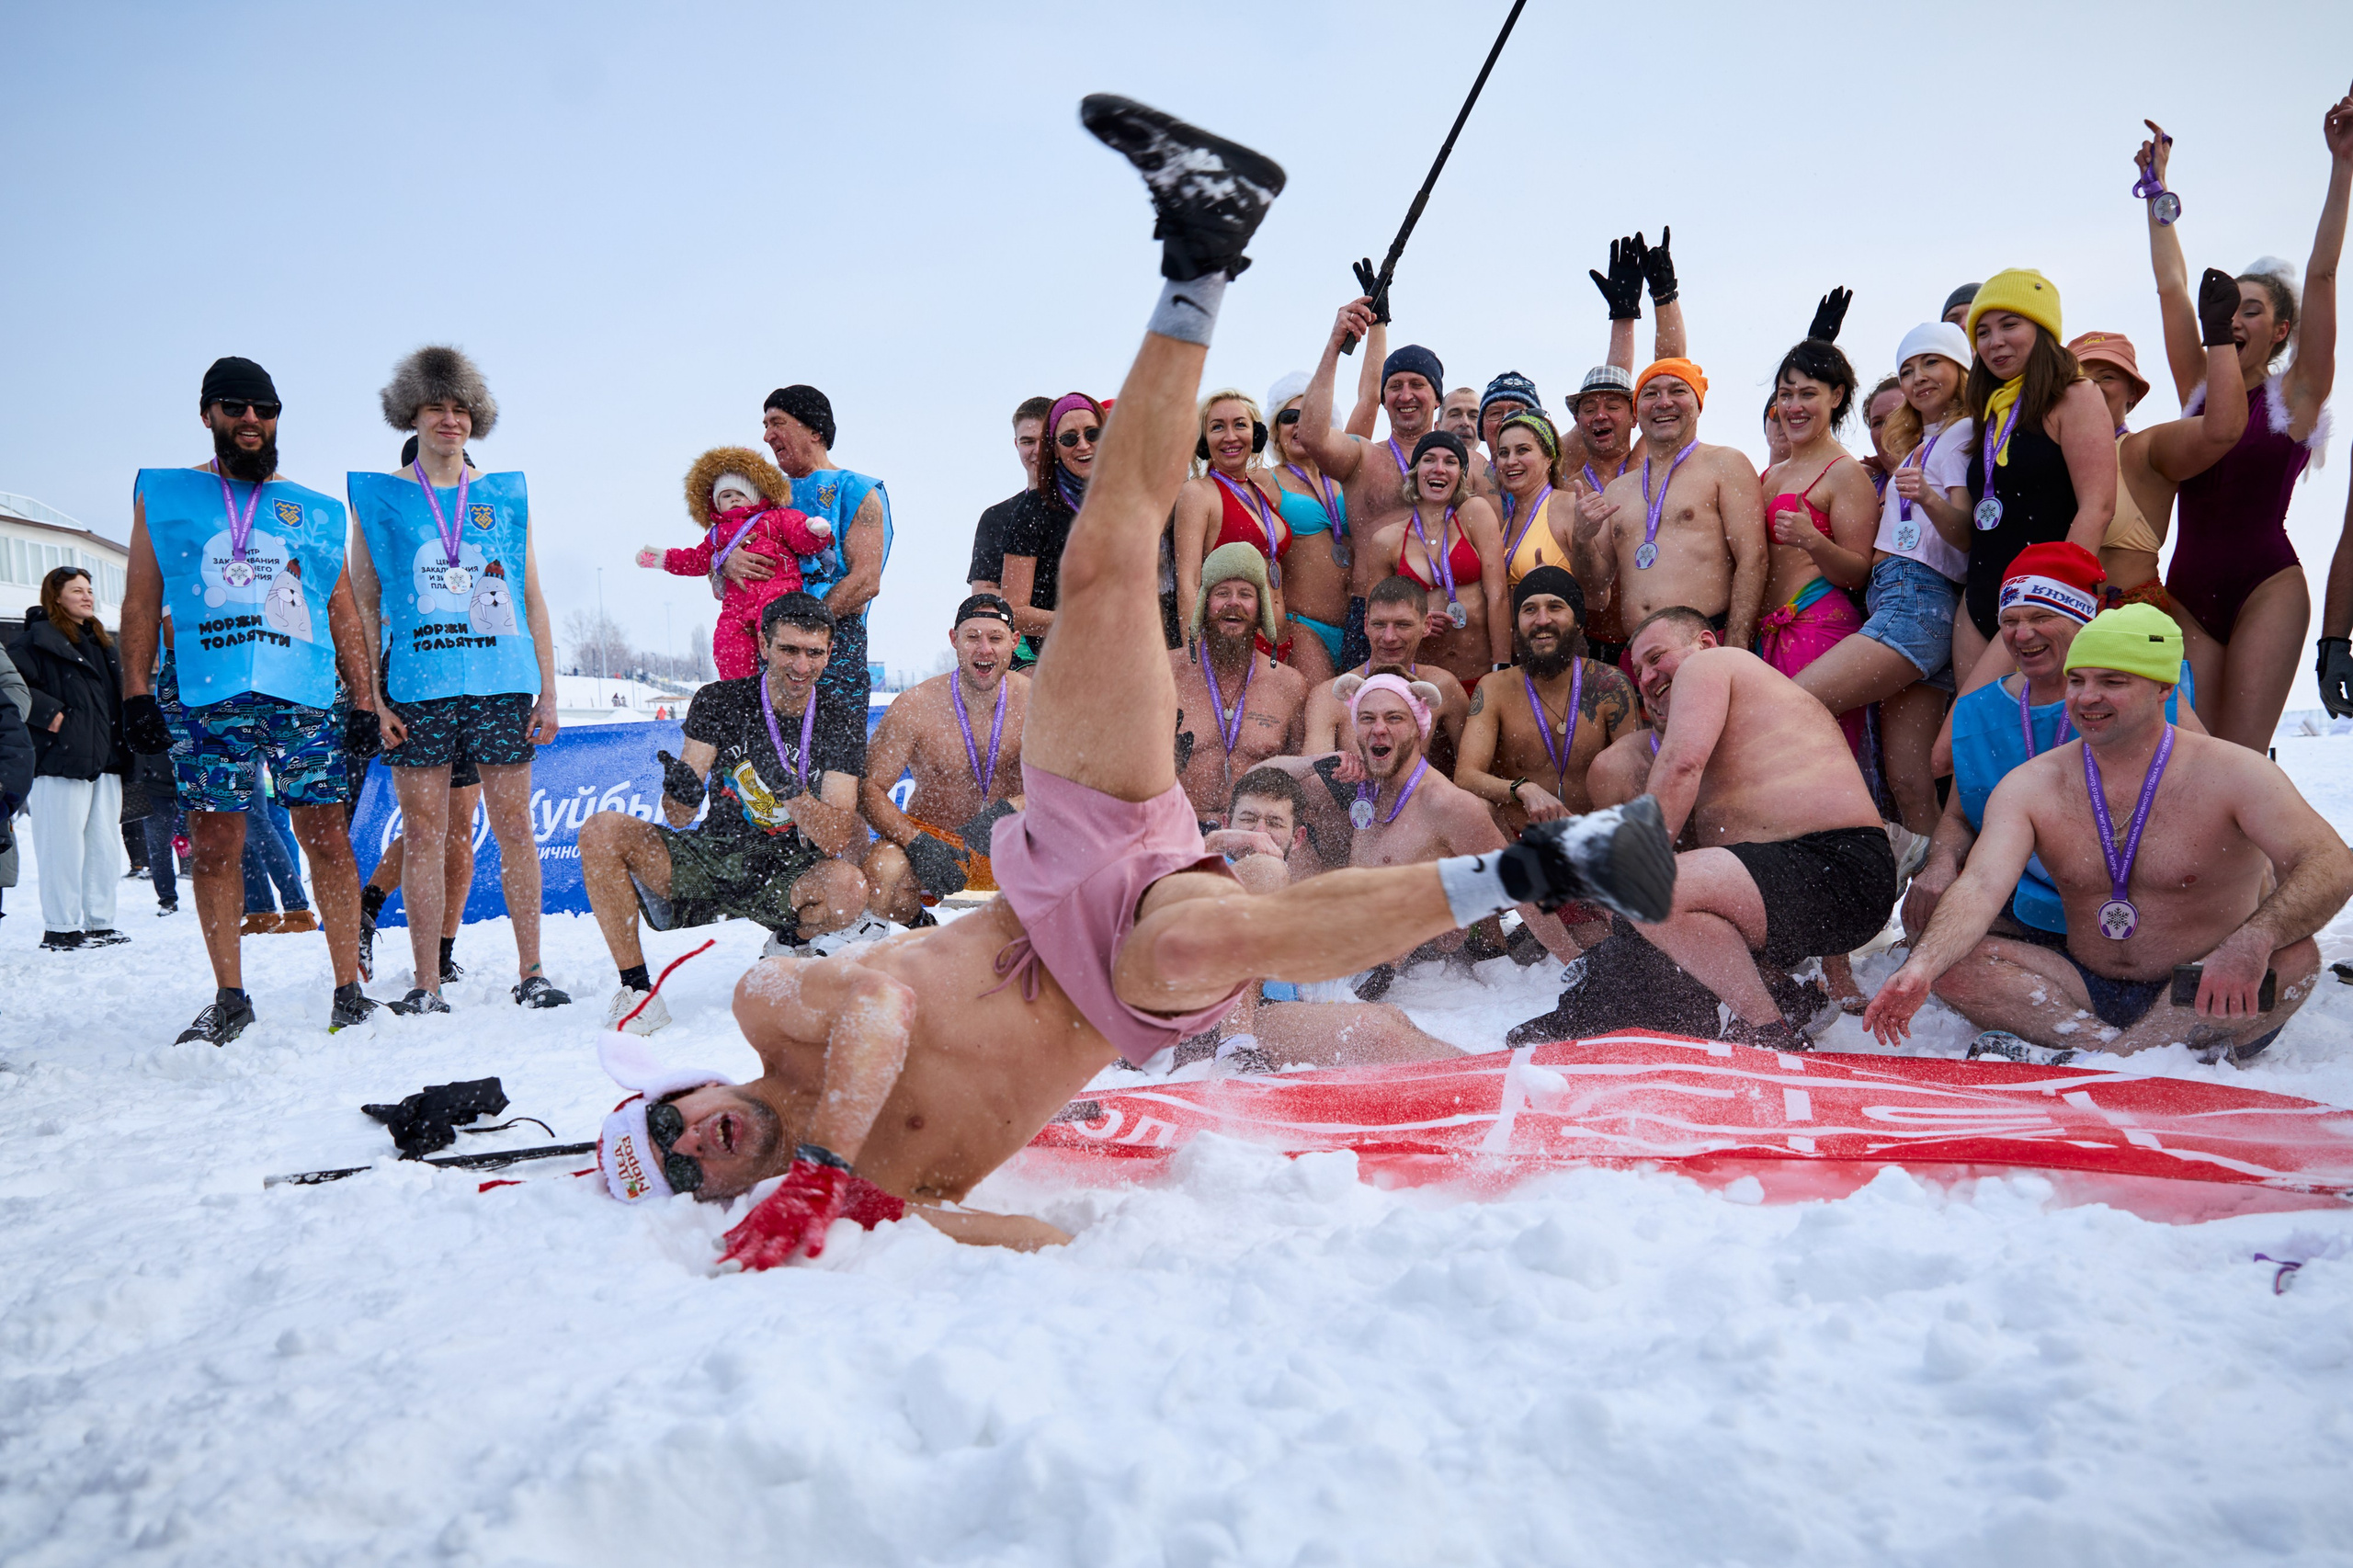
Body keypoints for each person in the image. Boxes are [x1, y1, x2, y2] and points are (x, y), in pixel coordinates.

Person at [642, 97, 1673, 1268]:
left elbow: (879, 1009)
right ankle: (1556, 864)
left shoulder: (767, 1014)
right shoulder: (877, 1184)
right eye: (688, 1170)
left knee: (1103, 561)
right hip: (1114, 982)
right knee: (1207, 946)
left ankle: (1200, 250)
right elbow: (1028, 1230)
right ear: (713, 1191)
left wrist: (823, 1175)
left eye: (668, 1125)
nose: (696, 1142)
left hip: (1062, 844)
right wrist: (881, 1209)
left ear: (681, 1092)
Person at [1867, 605, 2353, 1065]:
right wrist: (1922, 966)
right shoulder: (2034, 783)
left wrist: (2253, 940)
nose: (2086, 697)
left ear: (2164, 688)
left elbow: (2331, 863)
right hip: (2084, 984)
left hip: (2207, 982)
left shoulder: (2236, 774)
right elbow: (1980, 886)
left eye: (2112, 681)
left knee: (2294, 957)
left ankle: (2107, 1059)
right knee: (1952, 962)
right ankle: (2126, 1056)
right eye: (2076, 680)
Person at [119, 357, 381, 1041]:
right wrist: (135, 693)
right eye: (235, 408)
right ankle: (231, 995)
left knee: (325, 837)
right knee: (213, 842)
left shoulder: (316, 509)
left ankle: (349, 989)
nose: (251, 421)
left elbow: (343, 612)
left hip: (303, 699)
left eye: (264, 410)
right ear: (207, 414)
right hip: (206, 697)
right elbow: (141, 602)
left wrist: (363, 700)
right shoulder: (166, 496)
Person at [347, 345, 566, 1015]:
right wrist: (372, 698)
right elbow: (363, 599)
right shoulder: (383, 496)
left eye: (461, 408)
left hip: (501, 683)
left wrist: (550, 690)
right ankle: (425, 984)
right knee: (423, 834)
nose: (450, 419)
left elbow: (531, 595)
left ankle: (532, 972)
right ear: (412, 415)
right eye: (436, 407)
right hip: (419, 683)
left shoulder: (500, 497)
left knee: (515, 832)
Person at [2150, 103, 2350, 750]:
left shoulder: (2297, 394)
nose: (2232, 316)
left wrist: (2342, 166)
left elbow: (2321, 274)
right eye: (2227, 304)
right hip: (2186, 593)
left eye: (2252, 308)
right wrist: (2157, 193)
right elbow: (2172, 288)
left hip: (2268, 587)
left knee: (2238, 758)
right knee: (2191, 756)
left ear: (2281, 330)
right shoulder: (2200, 391)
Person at [579, 592, 871, 1030]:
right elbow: (678, 815)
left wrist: (790, 789)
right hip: (717, 852)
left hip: (790, 867)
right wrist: (681, 791)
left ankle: (792, 939)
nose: (801, 665)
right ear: (763, 645)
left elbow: (834, 837)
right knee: (602, 829)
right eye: (789, 649)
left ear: (830, 652)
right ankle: (638, 991)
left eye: (814, 653)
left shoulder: (839, 719)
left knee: (849, 886)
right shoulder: (720, 701)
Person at [1611, 606, 1898, 1049]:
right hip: (1815, 886)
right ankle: (1786, 1000)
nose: (1647, 677)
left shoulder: (1711, 664)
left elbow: (1680, 765)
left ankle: (1766, 1028)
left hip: (1840, 866)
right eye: (1639, 672)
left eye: (1656, 657)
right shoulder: (1739, 713)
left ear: (1704, 643)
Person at [1905, 544, 2203, 951]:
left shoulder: (2142, 688)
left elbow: (2213, 782)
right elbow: (1958, 817)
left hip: (2146, 896)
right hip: (2025, 902)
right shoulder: (1979, 711)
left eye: (2041, 616)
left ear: (2085, 622)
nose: (2021, 634)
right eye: (2009, 621)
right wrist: (1939, 864)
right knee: (1943, 949)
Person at [1786, 324, 1975, 833]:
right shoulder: (1928, 442)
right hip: (1918, 604)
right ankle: (1935, 887)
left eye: (1932, 363)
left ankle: (1827, 837)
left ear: (1964, 369)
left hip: (1913, 600)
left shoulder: (1962, 434)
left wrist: (1929, 499)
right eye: (1908, 369)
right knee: (1910, 783)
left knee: (1792, 702)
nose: (1918, 378)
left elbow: (1966, 534)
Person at [1951, 269, 2118, 694]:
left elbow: (2097, 508)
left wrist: (2051, 601)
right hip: (1980, 602)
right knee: (1975, 753)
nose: (1995, 342)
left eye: (2010, 325)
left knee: (1955, 741)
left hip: (2038, 602)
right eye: (1983, 332)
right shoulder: (1989, 411)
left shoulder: (2075, 395)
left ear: (2043, 329)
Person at [1574, 359, 1768, 658]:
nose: (1664, 402)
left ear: (1698, 405)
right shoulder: (1618, 490)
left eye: (1677, 390)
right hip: (1638, 652)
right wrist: (1583, 539)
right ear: (1636, 414)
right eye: (1650, 394)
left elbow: (1753, 559)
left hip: (1705, 643)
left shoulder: (1726, 464)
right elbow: (1595, 589)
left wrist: (1736, 647)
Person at [858, 594, 1029, 926]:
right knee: (882, 874)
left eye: (995, 638)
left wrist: (1017, 807)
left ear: (1014, 642)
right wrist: (917, 843)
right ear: (954, 639)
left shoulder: (1039, 702)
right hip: (936, 846)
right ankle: (920, 927)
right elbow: (869, 788)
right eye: (972, 637)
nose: (984, 649)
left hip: (1014, 846)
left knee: (1094, 859)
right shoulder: (914, 706)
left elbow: (1074, 782)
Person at [1297, 307, 1446, 669]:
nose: (1405, 394)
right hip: (1370, 617)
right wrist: (1334, 345)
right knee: (1364, 724)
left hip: (1441, 618)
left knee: (1439, 724)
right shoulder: (1362, 457)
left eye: (1417, 385)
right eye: (1395, 386)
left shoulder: (1467, 465)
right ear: (1384, 397)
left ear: (1438, 398)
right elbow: (1312, 435)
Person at [1754, 338, 1878, 759]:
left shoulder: (1846, 474)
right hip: (1766, 634)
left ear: (1836, 397)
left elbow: (1858, 572)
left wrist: (1813, 540)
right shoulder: (1772, 472)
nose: (1794, 407)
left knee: (1812, 761)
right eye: (1786, 395)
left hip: (1818, 629)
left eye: (1809, 394)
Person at [1456, 566, 1641, 830]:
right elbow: (1465, 777)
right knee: (1475, 809)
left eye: (1555, 607)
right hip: (1522, 839)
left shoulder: (1609, 685)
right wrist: (1523, 789)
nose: (1542, 620)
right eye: (1529, 609)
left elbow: (1634, 776)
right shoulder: (1494, 688)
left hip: (1593, 839)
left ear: (1578, 622)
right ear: (1516, 624)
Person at [9, 566, 131, 952]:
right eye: (77, 590)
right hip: (59, 760)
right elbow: (11, 687)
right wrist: (51, 714)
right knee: (61, 845)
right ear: (56, 597)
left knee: (103, 844)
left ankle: (100, 922)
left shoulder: (100, 641)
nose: (87, 596)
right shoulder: (33, 641)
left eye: (90, 590)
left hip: (105, 758)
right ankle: (61, 926)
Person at [752, 384, 891, 718]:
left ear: (814, 430)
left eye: (777, 423)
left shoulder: (856, 490)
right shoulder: (760, 497)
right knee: (766, 754)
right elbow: (721, 553)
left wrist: (804, 627)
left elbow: (866, 580)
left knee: (836, 756)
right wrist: (726, 566)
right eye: (765, 426)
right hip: (768, 642)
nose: (768, 436)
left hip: (835, 640)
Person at [634, 448, 832, 680]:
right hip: (736, 604)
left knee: (780, 638)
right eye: (726, 496)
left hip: (777, 593)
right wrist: (665, 559)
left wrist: (814, 532)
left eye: (741, 493)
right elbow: (696, 559)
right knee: (728, 642)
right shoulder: (716, 535)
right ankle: (738, 688)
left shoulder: (776, 518)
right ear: (716, 504)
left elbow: (800, 538)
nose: (734, 499)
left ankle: (783, 683)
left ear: (757, 495)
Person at [1170, 543, 1307, 826]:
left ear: (1261, 610)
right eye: (1222, 593)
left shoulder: (1289, 686)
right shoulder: (1166, 672)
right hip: (1177, 829)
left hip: (1256, 839)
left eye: (1245, 594)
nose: (1233, 603)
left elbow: (1301, 785)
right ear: (1205, 604)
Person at [1366, 430, 1508, 686]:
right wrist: (1416, 619)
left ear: (1461, 476)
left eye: (1450, 462)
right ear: (1415, 471)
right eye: (1429, 459)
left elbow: (1498, 597)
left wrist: (1502, 670)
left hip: (1481, 674)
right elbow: (1375, 619)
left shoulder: (1475, 514)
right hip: (1418, 682)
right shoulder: (1386, 541)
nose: (1439, 469)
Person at [1264, 369, 1375, 684]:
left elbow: (1370, 400)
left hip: (1357, 625)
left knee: (1359, 722)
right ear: (1275, 430)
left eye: (1310, 414)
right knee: (1323, 711)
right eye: (1289, 417)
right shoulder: (1266, 481)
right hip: (1303, 626)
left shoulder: (1347, 474)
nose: (1299, 424)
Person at [1300, 574, 1471, 775]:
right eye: (1379, 624)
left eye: (1402, 625)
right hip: (1353, 804)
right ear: (1366, 625)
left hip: (1417, 802)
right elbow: (1312, 778)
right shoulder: (1329, 695)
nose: (1389, 637)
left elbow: (1470, 774)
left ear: (1426, 625)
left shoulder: (1442, 686)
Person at [1173, 389, 1291, 653]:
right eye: (1217, 427)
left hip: (1280, 642)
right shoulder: (1197, 493)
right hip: (1233, 648)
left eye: (1240, 425)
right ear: (1204, 440)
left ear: (1256, 434)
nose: (1230, 437)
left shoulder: (1261, 488)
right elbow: (1188, 582)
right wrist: (1194, 655)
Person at [999, 392, 1103, 669]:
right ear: (1054, 448)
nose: (1083, 445)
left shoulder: (1126, 500)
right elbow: (1013, 612)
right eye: (1069, 438)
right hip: (1058, 664)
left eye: (1092, 434)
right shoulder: (1035, 509)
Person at [356, 760, 480, 984]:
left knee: (438, 830)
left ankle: (365, 913)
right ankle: (439, 960)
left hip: (459, 728)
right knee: (437, 830)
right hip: (428, 728)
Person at [970, 396, 1052, 595]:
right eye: (1028, 442)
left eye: (1046, 440)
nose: (1038, 450)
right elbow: (983, 593)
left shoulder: (1085, 507)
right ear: (1016, 444)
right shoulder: (996, 517)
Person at [1492, 411, 1574, 590]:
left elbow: (1597, 594)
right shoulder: (1504, 525)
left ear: (1548, 458)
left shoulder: (1569, 506)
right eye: (1503, 453)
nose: (1510, 461)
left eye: (1523, 450)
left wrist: (1552, 584)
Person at [238, 769, 314, 934]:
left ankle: (297, 908)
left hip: (265, 777)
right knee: (245, 832)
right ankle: (261, 913)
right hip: (246, 772)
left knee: (262, 829)